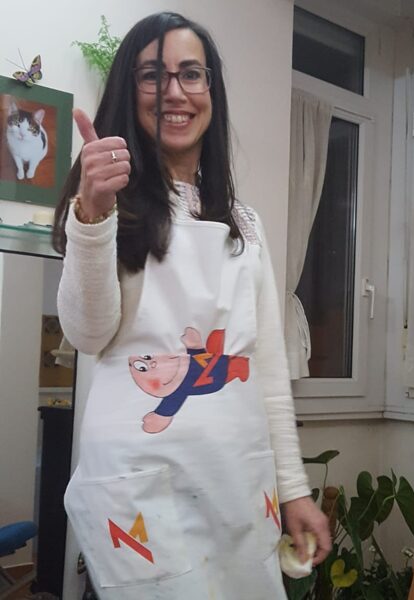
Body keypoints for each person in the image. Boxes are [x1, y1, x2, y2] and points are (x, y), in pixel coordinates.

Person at [53, 11, 331, 599]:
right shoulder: (106, 203)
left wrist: (293, 488)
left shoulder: (244, 223)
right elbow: (87, 333)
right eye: (153, 75)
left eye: (191, 74)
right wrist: (94, 213)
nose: (174, 92)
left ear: (212, 90)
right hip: (140, 490)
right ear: (129, 88)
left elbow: (265, 367)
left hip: (236, 477)